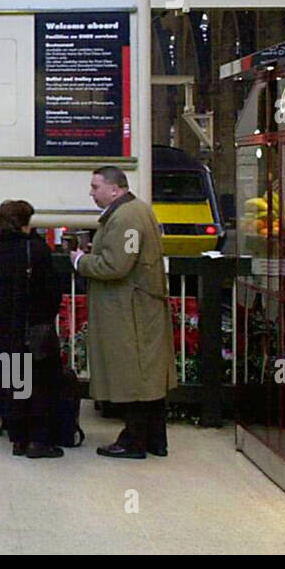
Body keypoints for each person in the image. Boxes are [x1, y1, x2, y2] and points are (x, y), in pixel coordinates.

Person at [70, 166, 175, 459]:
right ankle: (155, 438)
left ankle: (133, 440)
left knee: (134, 374)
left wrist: (81, 261)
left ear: (115, 189)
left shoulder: (126, 218)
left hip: (130, 311)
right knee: (148, 375)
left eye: (95, 187)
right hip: (140, 306)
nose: (91, 193)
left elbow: (117, 265)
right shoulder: (137, 212)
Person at [0, 199, 63, 458]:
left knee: (13, 380)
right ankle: (38, 441)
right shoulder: (37, 250)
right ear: (23, 224)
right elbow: (52, 290)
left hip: (4, 325)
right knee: (40, 381)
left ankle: (17, 439)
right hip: (33, 327)